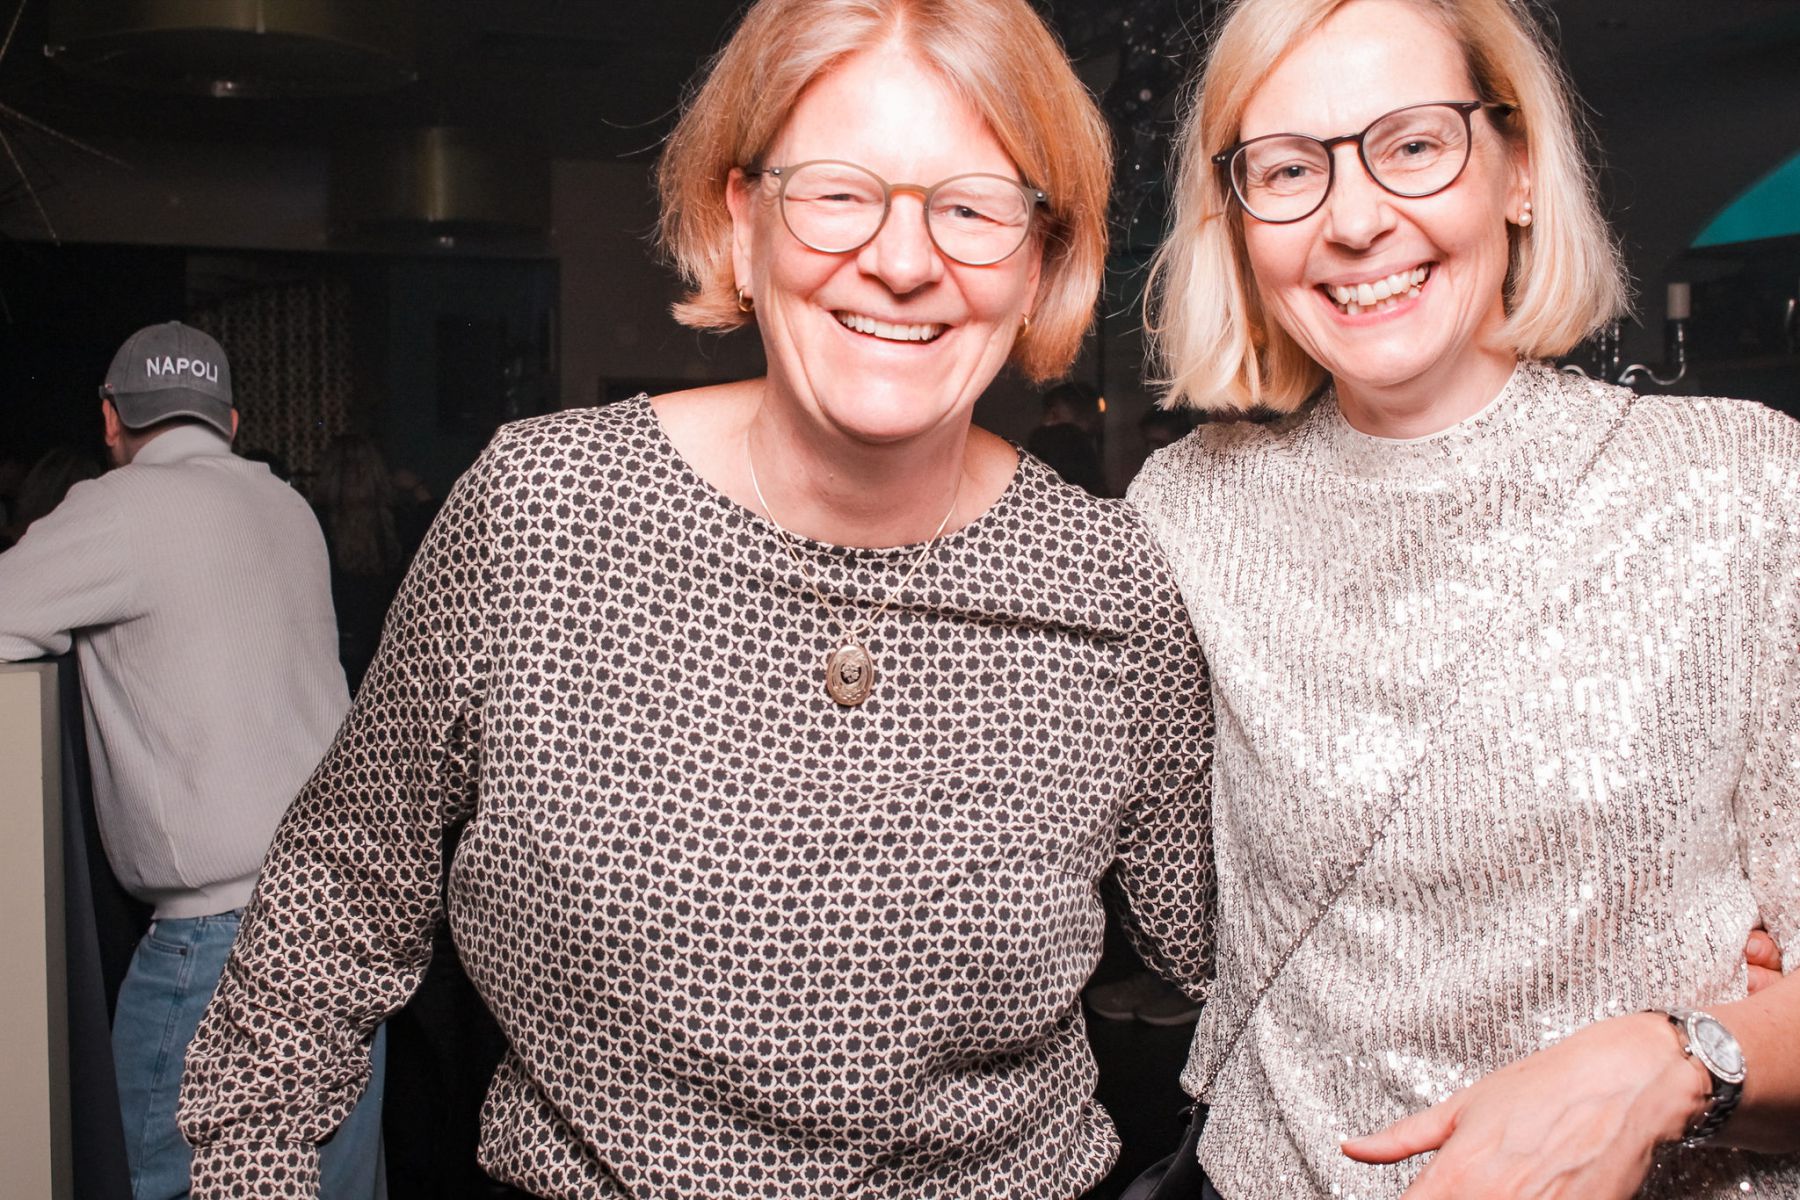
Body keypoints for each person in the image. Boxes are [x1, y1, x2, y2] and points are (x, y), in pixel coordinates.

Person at [178, 2, 1213, 1197]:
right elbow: (335, 899)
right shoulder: (545, 514)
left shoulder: (1106, 579)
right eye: (839, 192)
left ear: (1040, 259)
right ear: (742, 219)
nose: (903, 261)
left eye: (972, 208)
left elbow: (1238, 946)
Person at [1128, 0, 1800, 1196]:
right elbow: (1175, 916)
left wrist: (1675, 1060)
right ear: (1237, 220)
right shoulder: (1185, 511)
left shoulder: (1740, 485)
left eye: (1414, 144)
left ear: (1520, 172)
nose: (1354, 220)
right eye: (1288, 169)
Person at [0, 321, 386, 1200]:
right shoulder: (287, 507)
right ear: (232, 422)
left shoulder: (118, 508)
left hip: (225, 937)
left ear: (110, 419)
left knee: (132, 1176)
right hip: (343, 916)